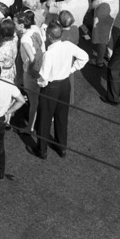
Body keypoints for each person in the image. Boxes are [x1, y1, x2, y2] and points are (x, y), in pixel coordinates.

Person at [31, 22, 87, 158]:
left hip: (51, 87)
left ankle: (42, 150)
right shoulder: (68, 45)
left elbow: (44, 77)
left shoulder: (49, 53)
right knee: (62, 117)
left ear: (49, 36)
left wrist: (40, 84)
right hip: (65, 85)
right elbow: (84, 57)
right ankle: (62, 148)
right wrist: (72, 69)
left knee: (44, 118)